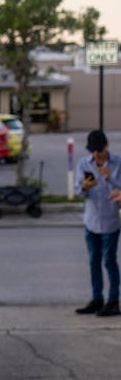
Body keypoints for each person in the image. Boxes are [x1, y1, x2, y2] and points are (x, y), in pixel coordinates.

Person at [74, 129, 121, 316]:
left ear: (107, 145)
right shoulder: (85, 164)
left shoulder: (117, 163)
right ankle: (97, 298)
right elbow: (80, 192)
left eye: (99, 150)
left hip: (111, 221)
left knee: (109, 260)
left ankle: (113, 300)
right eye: (92, 150)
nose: (96, 154)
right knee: (94, 261)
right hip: (92, 220)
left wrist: (109, 178)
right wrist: (84, 187)